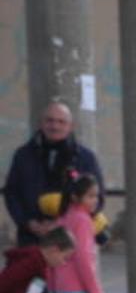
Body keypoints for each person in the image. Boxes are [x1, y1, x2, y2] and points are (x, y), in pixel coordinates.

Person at [4, 101, 105, 246]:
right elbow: (12, 193)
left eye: (61, 122)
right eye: (49, 120)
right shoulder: (23, 155)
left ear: (71, 126)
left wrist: (63, 223)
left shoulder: (85, 158)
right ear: (41, 123)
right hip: (31, 239)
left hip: (71, 243)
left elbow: (98, 198)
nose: (55, 126)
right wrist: (27, 222)